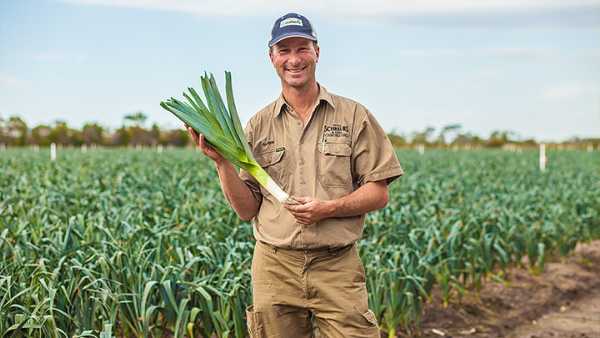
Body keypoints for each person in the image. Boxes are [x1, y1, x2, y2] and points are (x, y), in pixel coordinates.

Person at [186, 12, 403, 338]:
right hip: (275, 267)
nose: (294, 59)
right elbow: (247, 210)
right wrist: (222, 163)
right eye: (284, 50)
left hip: (336, 266)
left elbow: (379, 192)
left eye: (302, 48)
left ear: (317, 51)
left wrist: (327, 209)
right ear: (271, 57)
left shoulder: (354, 116)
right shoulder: (258, 126)